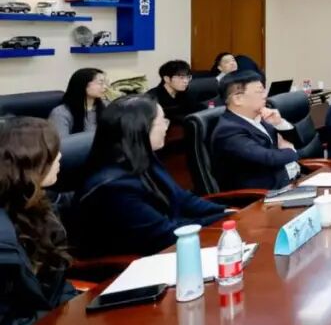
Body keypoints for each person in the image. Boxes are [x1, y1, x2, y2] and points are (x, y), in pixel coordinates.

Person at [0, 118, 86, 325]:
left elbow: (55, 283)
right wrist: (59, 321)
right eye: (53, 153)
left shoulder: (38, 208)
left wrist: (76, 308)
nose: (61, 157)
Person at [73, 97, 227, 256]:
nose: (167, 127)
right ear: (141, 129)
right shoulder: (113, 187)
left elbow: (182, 198)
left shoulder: (143, 158)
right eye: (162, 121)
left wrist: (226, 212)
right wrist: (218, 222)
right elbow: (164, 235)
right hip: (136, 262)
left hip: (169, 242)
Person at [211, 71, 304, 191]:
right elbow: (269, 158)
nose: (265, 95)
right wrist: (291, 150)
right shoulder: (228, 131)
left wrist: (279, 123)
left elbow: (298, 143)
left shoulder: (259, 116)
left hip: (292, 180)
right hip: (265, 194)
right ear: (238, 99)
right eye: (259, 91)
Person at [48, 67, 108, 136]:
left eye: (105, 83)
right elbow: (62, 142)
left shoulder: (107, 105)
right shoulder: (60, 113)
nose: (105, 87)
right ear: (83, 84)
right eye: (100, 83)